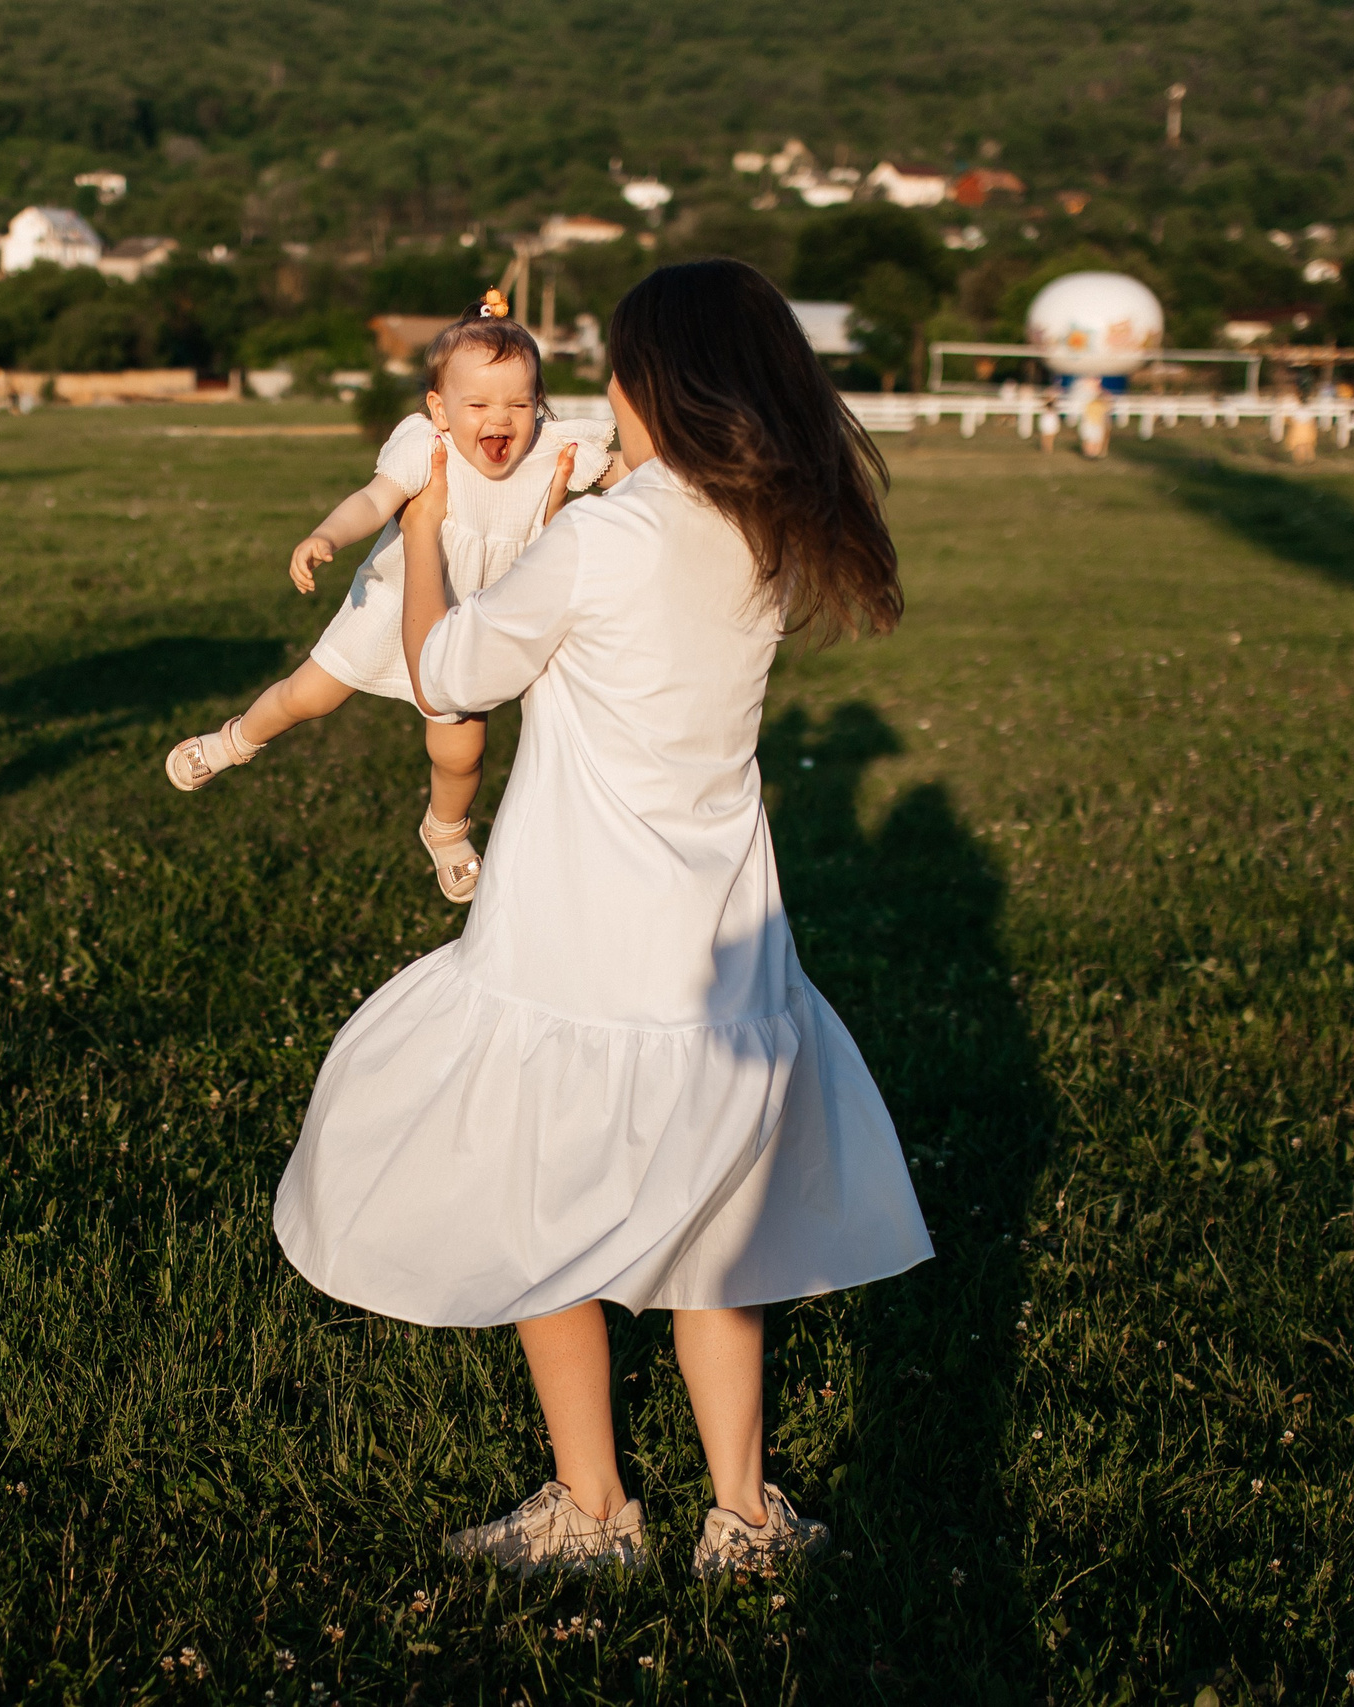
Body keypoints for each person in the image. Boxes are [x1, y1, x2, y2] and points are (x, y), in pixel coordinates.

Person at [274, 259, 932, 1579]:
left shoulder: (603, 537)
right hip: (718, 933)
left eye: (619, 368)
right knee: (717, 1227)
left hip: (573, 926)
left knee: (546, 1204)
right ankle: (742, 1518)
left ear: (654, 383)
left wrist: (425, 521)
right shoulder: (757, 529)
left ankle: (593, 1506)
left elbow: (448, 674)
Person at [163, 290, 614, 900]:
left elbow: (625, 470)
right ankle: (234, 741)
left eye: (520, 403)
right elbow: (373, 500)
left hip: (470, 630)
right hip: (390, 607)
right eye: (479, 404)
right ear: (440, 409)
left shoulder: (553, 451)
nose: (502, 419)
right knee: (304, 696)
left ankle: (446, 828)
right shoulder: (426, 448)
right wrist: (326, 535)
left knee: (461, 754)